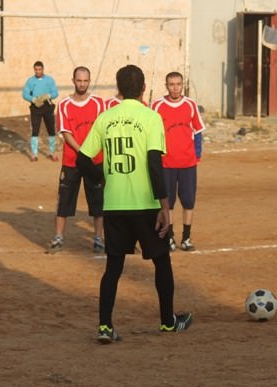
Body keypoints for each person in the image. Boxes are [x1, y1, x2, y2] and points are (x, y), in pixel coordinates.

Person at [77, 64, 193, 344]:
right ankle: (167, 322)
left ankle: (105, 326)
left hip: (114, 205)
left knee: (113, 267)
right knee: (161, 261)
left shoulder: (105, 118)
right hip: (145, 204)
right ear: (143, 89)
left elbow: (82, 159)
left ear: (118, 89)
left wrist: (101, 178)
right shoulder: (151, 117)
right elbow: (155, 164)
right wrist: (164, 206)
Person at [48, 66, 105, 253]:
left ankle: (98, 238)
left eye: (85, 80)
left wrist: (90, 154)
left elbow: (103, 129)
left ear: (89, 81)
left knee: (98, 202)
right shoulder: (64, 105)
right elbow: (65, 132)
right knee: (64, 201)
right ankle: (58, 237)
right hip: (72, 160)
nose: (82, 84)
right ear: (73, 81)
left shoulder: (98, 104)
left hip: (95, 160)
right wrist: (82, 152)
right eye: (79, 80)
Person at [151, 71, 206, 252]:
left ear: (183, 85)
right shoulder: (157, 106)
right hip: (166, 163)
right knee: (169, 202)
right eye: (171, 84)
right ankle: (170, 236)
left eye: (178, 84)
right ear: (166, 85)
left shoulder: (190, 104)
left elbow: (198, 131)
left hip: (187, 164)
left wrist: (196, 155)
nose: (175, 88)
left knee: (188, 201)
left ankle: (186, 237)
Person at [22, 61, 59, 161]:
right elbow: (24, 94)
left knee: (51, 129)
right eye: (36, 69)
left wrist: (49, 95)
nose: (38, 71)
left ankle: (52, 152)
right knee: (35, 130)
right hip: (36, 107)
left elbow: (55, 93)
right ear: (34, 70)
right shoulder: (30, 81)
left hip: (47, 106)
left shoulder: (49, 80)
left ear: (43, 69)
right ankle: (34, 154)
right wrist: (33, 99)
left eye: (40, 69)